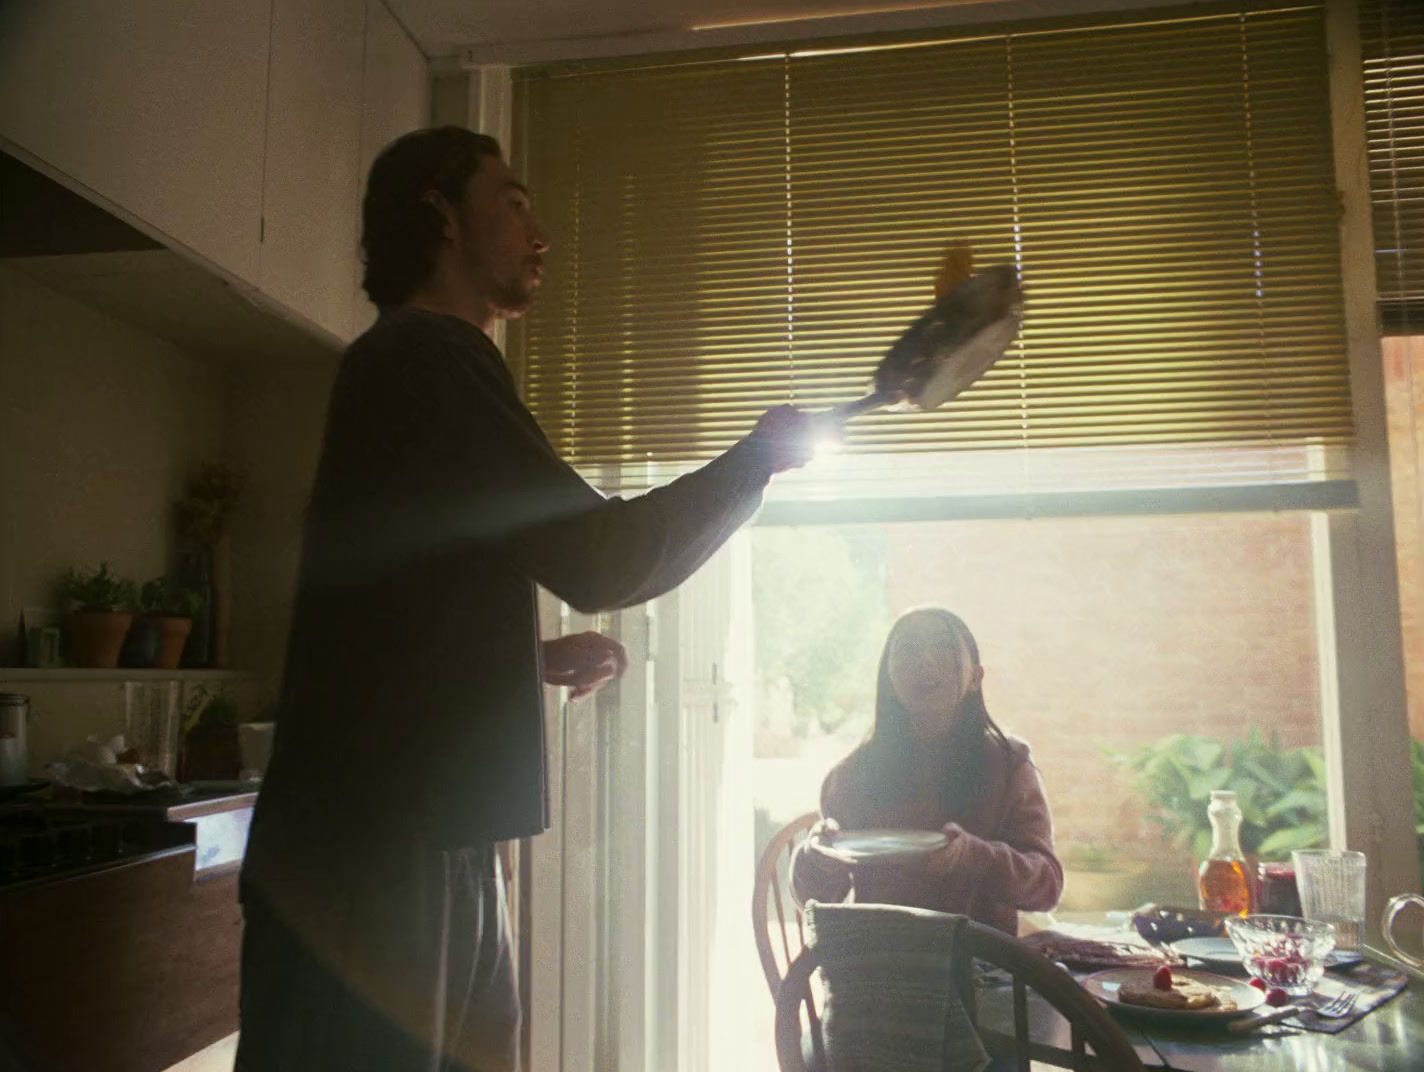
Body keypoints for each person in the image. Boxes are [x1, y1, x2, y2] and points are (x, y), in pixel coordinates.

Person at [236, 127, 813, 1072]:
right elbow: (599, 557)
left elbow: (386, 604)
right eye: (513, 201)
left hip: (424, 835)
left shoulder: (420, 368)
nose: (539, 230)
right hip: (376, 854)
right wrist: (753, 463)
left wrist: (523, 660)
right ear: (439, 214)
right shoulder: (426, 356)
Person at [790, 607, 1062, 934]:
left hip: (980, 971)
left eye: (943, 647)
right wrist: (815, 858)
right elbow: (813, 899)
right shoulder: (852, 775)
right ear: (888, 675)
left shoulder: (1008, 764)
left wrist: (975, 858)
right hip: (878, 964)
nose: (925, 660)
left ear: (976, 677)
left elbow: (1046, 886)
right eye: (908, 648)